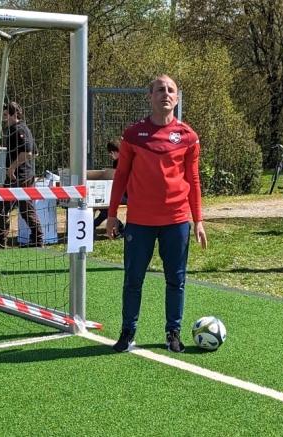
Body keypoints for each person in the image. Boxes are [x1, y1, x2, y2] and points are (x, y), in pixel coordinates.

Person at [106, 74, 207, 353]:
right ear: (150, 97)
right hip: (139, 222)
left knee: (176, 279)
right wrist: (112, 214)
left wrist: (198, 220)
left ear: (177, 97)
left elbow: (194, 180)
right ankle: (128, 332)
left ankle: (172, 332)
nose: (165, 93)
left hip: (176, 221)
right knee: (133, 279)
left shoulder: (188, 136)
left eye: (170, 90)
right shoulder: (133, 134)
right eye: (160, 89)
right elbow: (121, 176)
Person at [0, 101, 43, 248]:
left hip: (19, 176)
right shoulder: (17, 129)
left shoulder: (19, 129)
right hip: (20, 175)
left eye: (6, 115)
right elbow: (36, 152)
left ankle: (36, 239)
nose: (4, 119)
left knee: (6, 207)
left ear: (15, 114)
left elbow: (28, 153)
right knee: (13, 207)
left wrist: (13, 167)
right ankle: (1, 239)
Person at [93, 141, 125, 235]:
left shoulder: (123, 161)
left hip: (127, 194)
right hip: (121, 192)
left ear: (114, 152)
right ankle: (94, 224)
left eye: (111, 154)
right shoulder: (117, 162)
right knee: (102, 204)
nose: (111, 156)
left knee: (104, 203)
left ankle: (119, 226)